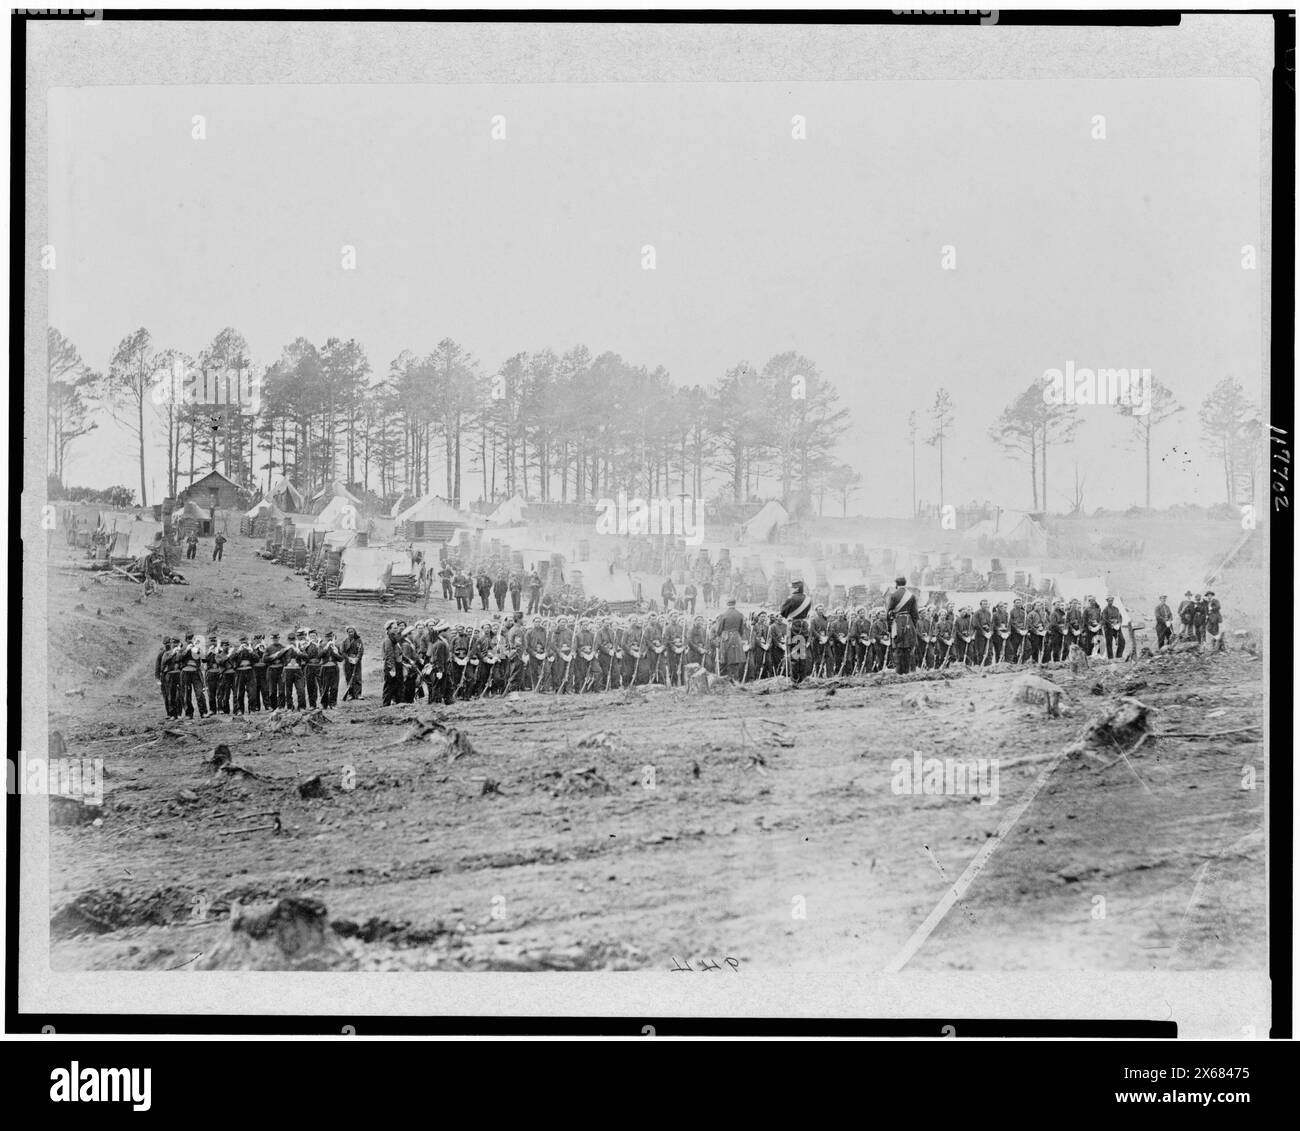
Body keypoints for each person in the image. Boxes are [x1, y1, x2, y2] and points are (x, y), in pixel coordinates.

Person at [714, 597, 748, 681]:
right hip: (736, 637)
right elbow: (741, 629)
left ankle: (726, 679)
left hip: (726, 637)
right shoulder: (740, 614)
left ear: (727, 604)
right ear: (735, 604)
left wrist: (720, 635)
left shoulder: (723, 615)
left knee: (725, 659)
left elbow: (719, 630)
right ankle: (735, 679)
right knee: (736, 659)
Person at [319, 630, 342, 708]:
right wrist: (326, 647)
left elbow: (341, 659)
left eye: (331, 637)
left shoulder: (337, 646)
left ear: (333, 637)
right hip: (325, 668)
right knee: (325, 687)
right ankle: (324, 704)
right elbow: (319, 655)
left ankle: (333, 704)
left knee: (334, 687)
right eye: (327, 637)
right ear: (325, 638)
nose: (329, 639)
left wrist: (336, 652)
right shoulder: (321, 645)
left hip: (334, 668)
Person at [341, 626, 364, 700]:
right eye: (349, 632)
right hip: (348, 661)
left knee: (357, 677)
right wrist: (348, 658)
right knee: (349, 677)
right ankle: (350, 694)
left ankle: (358, 694)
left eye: (352, 631)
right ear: (347, 633)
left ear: (354, 632)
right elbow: (342, 652)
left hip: (356, 661)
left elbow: (361, 650)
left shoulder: (358, 640)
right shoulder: (345, 641)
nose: (351, 633)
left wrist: (357, 658)